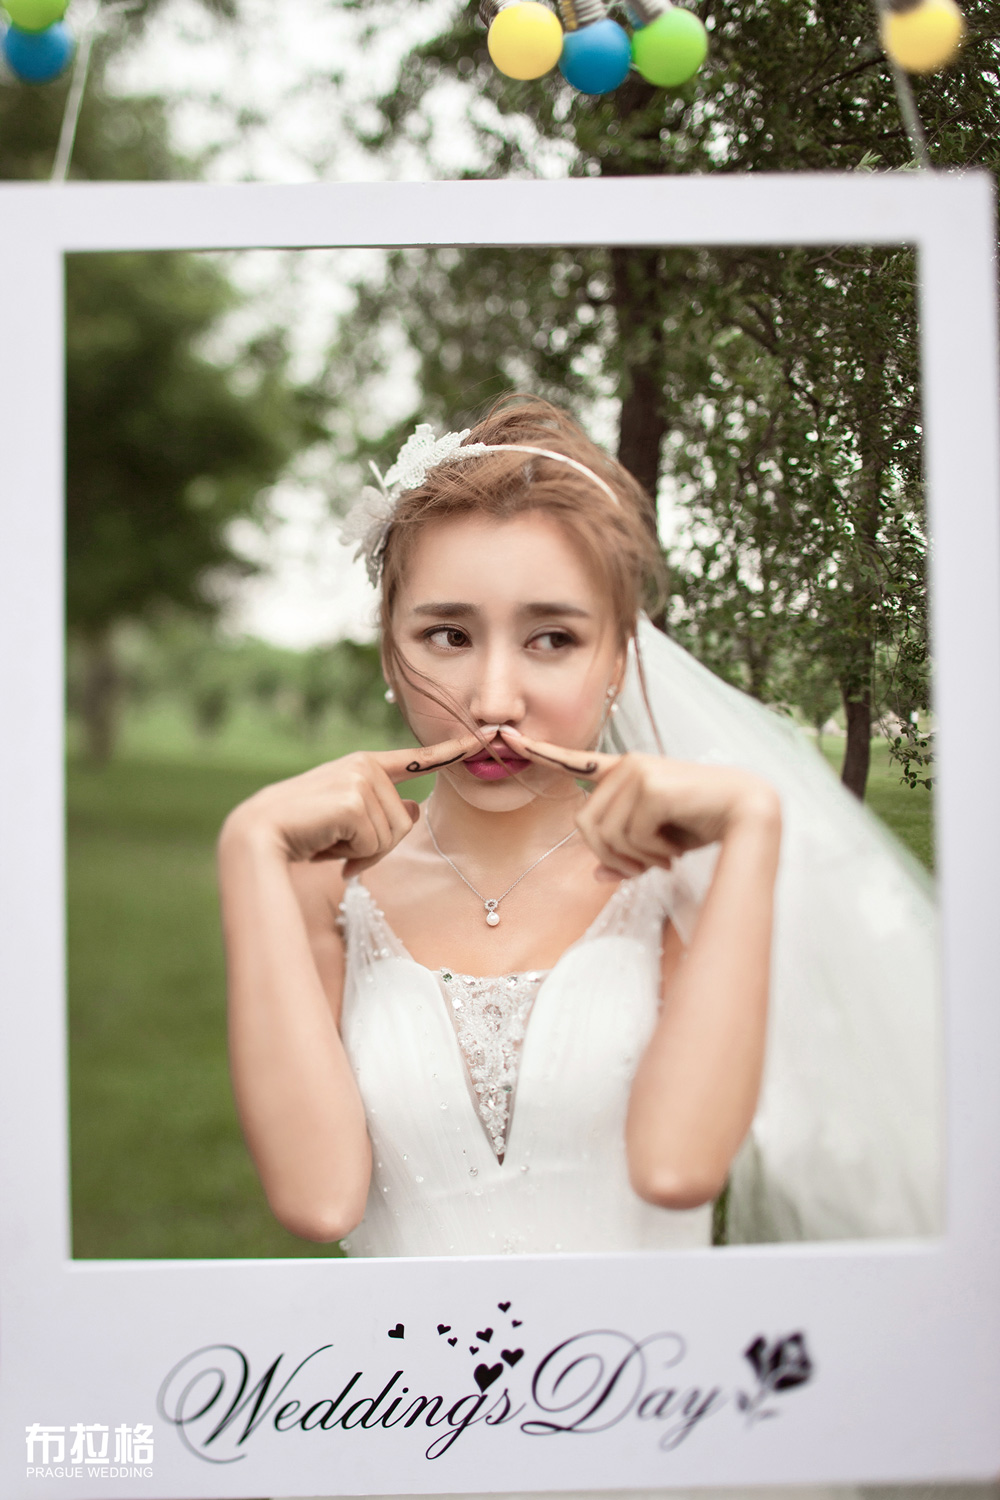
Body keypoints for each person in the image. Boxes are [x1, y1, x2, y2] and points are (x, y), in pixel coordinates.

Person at [217, 394, 941, 1261]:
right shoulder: (325, 889)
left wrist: (750, 828)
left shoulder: (680, 876)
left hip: (637, 1347)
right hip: (408, 1358)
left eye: (552, 639)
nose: (493, 702)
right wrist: (249, 847)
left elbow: (677, 1169)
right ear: (389, 649)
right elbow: (321, 1197)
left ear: (619, 657)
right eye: (447, 635)